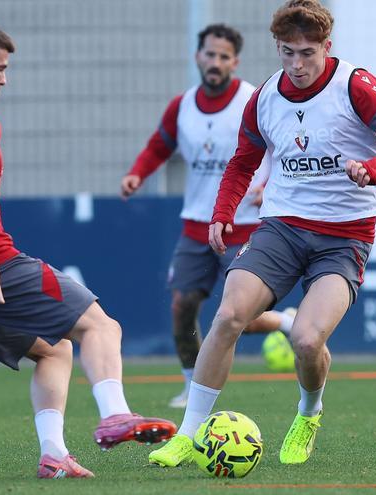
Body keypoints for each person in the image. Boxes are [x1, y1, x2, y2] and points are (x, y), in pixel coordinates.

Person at [0, 18, 177, 479]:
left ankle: (53, 454)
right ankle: (116, 415)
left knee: (53, 350)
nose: (4, 79)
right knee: (102, 327)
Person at [148, 0, 376, 467]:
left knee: (306, 340)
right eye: (286, 53)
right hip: (282, 227)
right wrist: (222, 213)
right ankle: (188, 433)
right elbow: (242, 162)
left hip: (345, 237)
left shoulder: (356, 86)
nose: (296, 64)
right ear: (276, 48)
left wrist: (373, 170)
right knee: (229, 314)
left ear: (326, 47)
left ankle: (309, 412)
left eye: (306, 53)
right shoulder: (265, 97)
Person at [121, 24, 296, 409]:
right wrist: (137, 173)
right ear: (198, 57)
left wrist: (271, 186)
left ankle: (285, 323)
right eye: (209, 54)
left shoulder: (254, 99)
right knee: (182, 309)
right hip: (196, 226)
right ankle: (189, 385)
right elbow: (158, 146)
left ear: (234, 61)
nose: (215, 62)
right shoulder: (181, 106)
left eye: (223, 56)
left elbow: (284, 146)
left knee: (237, 316)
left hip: (245, 224)